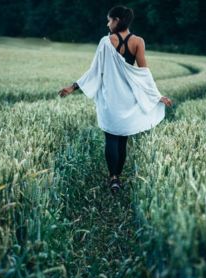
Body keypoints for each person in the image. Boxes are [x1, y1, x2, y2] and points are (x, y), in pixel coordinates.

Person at [58, 5, 173, 194]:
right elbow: (143, 74)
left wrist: (73, 87)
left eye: (109, 19)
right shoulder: (138, 42)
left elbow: (94, 70)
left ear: (117, 20)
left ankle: (113, 177)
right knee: (122, 138)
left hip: (110, 98)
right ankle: (117, 178)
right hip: (128, 99)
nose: (107, 23)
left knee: (110, 137)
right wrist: (157, 96)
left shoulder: (105, 41)